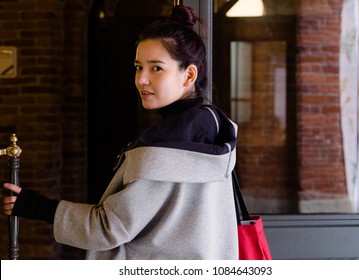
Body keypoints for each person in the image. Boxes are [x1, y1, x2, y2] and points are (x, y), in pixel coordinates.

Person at [3, 5, 238, 260]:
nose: (141, 80)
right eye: (138, 67)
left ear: (189, 74)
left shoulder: (164, 149)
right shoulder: (215, 127)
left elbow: (110, 227)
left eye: (156, 68)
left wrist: (39, 207)